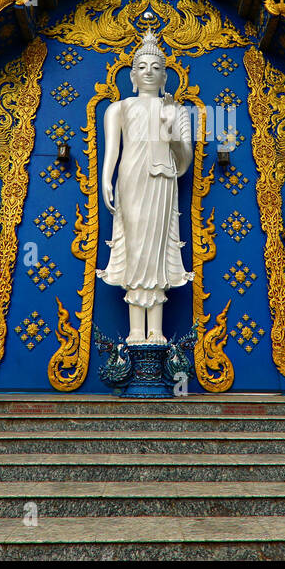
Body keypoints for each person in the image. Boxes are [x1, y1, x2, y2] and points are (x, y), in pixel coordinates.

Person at [96, 31, 194, 344]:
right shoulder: (119, 109)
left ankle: (157, 332)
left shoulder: (177, 111)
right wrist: (105, 181)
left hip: (163, 181)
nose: (148, 71)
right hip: (131, 179)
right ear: (133, 76)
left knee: (157, 250)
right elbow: (112, 151)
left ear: (165, 76)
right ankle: (136, 331)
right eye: (142, 66)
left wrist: (170, 131)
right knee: (136, 249)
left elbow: (185, 160)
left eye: (155, 67)